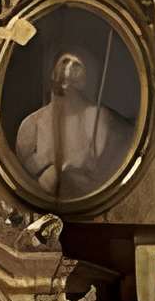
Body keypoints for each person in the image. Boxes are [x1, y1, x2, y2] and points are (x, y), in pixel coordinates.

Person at [14, 49, 122, 199]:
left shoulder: (97, 116)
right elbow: (23, 174)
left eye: (76, 64)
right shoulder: (32, 123)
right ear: (52, 73)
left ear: (85, 80)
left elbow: (97, 167)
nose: (69, 68)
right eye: (65, 62)